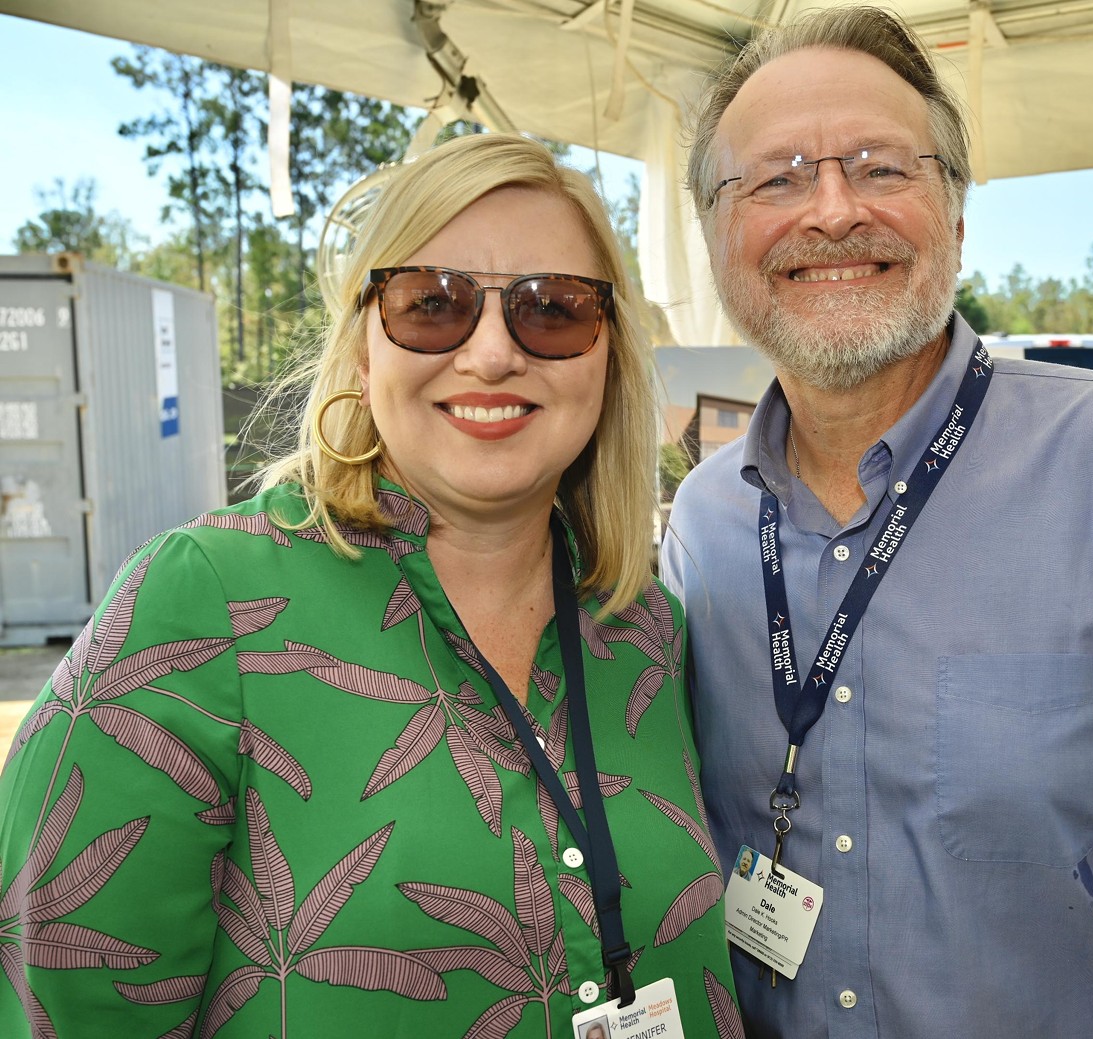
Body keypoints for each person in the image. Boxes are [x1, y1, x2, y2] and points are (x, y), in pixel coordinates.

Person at [660, 6, 1093, 1037]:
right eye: (777, 176)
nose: (831, 210)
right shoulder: (701, 526)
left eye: (881, 167)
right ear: (716, 236)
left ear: (956, 214)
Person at [0, 134, 742, 1038]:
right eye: (432, 304)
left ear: (609, 356)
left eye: (554, 309)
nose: (494, 352)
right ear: (363, 348)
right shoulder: (203, 607)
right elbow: (59, 1009)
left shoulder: (646, 631)